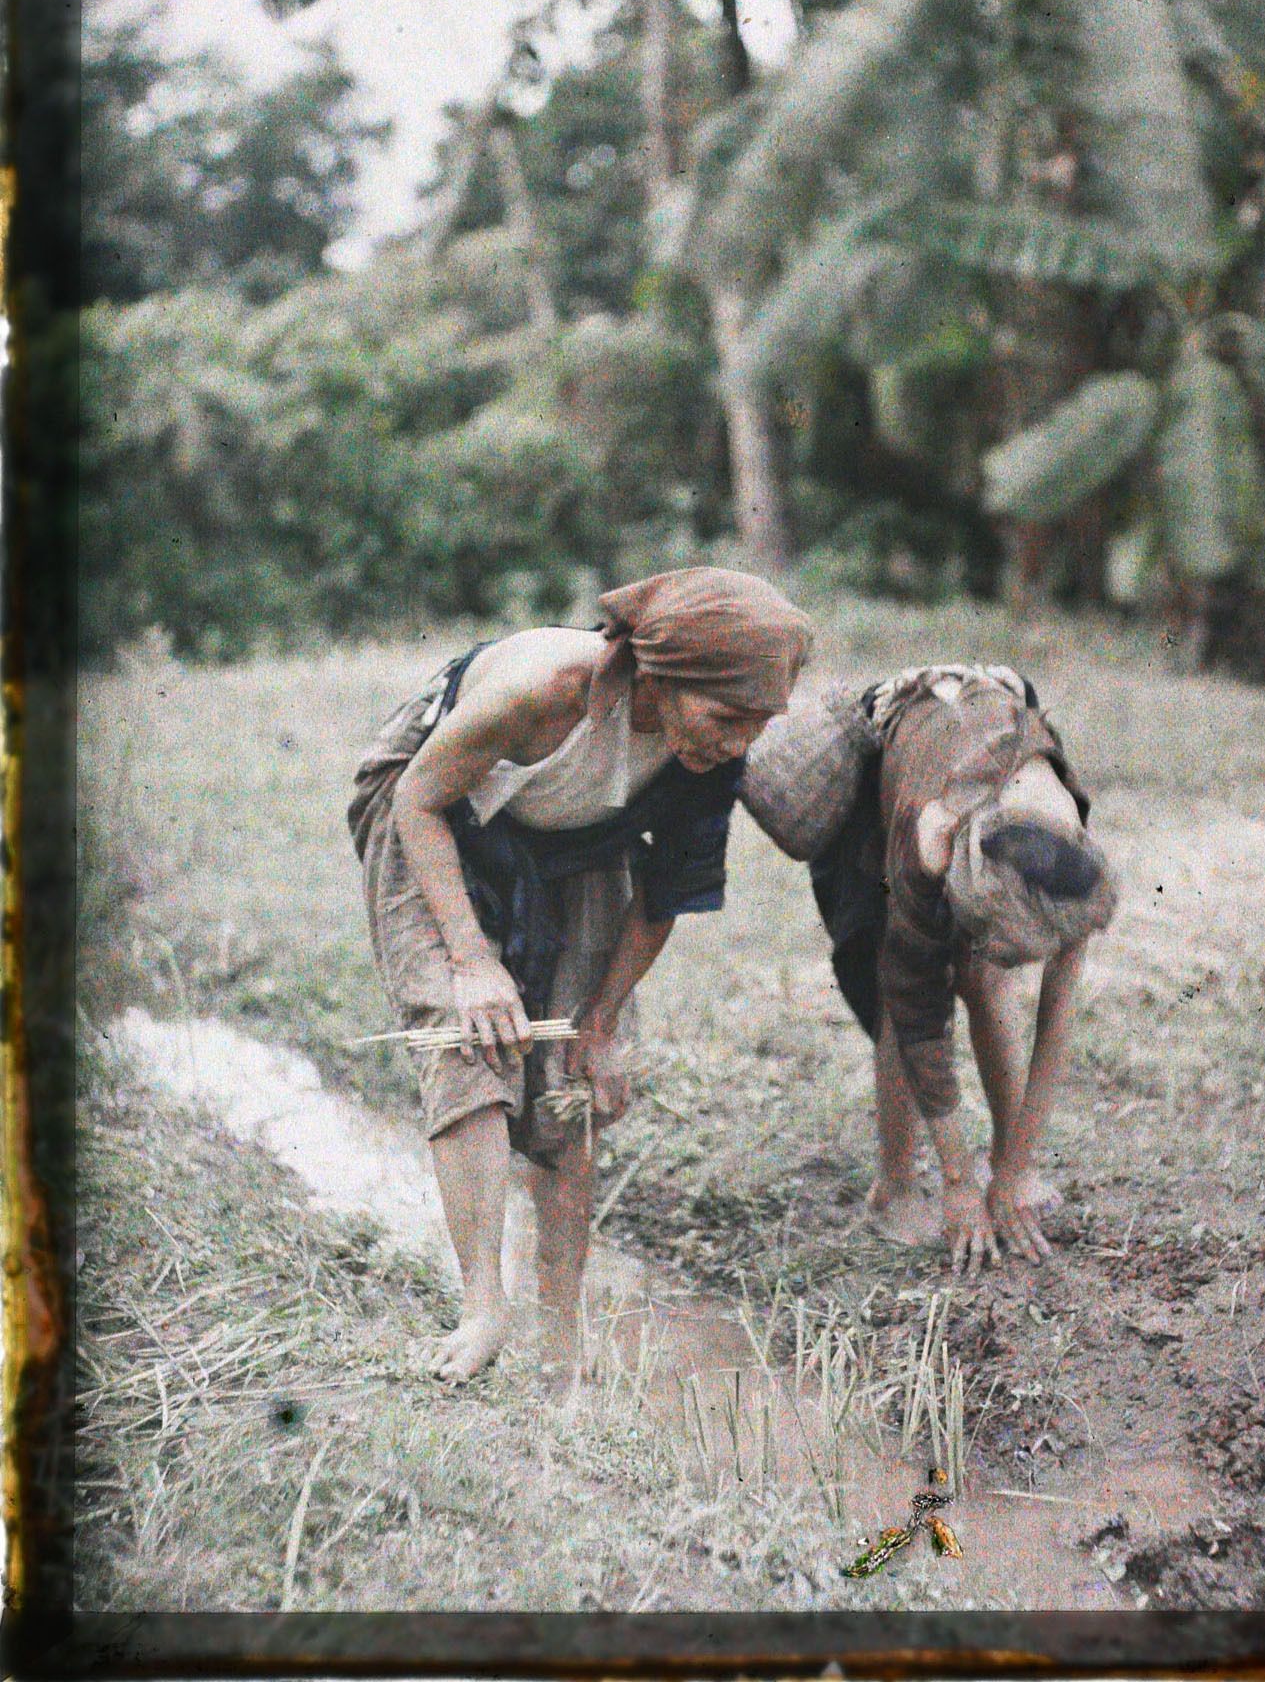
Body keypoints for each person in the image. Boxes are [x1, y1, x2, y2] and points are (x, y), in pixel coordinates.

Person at [348, 569, 812, 1380]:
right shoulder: (544, 689)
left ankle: (561, 1330)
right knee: (472, 1038)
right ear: (664, 677)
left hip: (577, 838)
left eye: (757, 724)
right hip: (433, 813)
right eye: (727, 717)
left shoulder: (712, 755)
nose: (738, 741)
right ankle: (483, 1308)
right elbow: (419, 798)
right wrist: (470, 958)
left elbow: (663, 896)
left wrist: (599, 1021)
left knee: (570, 1081)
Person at [754, 664, 1116, 1277]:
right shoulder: (930, 831)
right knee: (912, 997)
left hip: (979, 746)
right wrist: (957, 1181)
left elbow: (1058, 1009)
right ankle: (894, 1185)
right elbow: (920, 1013)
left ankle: (1008, 1165)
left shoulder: (1068, 852)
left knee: (988, 981)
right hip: (892, 775)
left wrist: (1017, 1170)